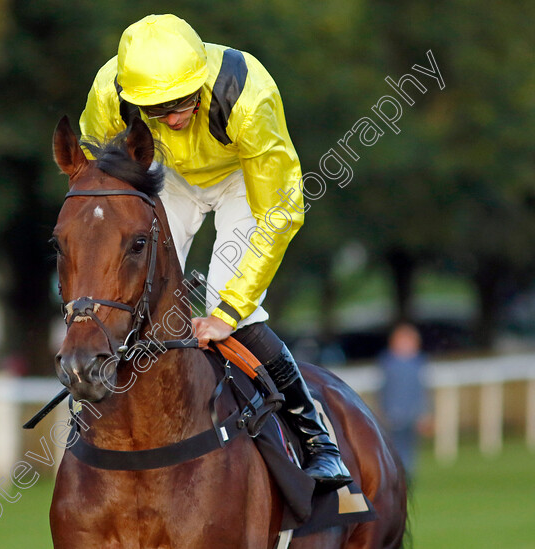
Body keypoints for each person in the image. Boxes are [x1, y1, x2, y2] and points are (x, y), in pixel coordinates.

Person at [79, 14, 351, 489]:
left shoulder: (248, 96)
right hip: (165, 173)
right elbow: (93, 178)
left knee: (229, 298)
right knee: (133, 282)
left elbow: (282, 212)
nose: (173, 117)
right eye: (157, 109)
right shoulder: (110, 91)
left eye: (182, 101)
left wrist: (227, 311)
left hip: (242, 180)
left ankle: (316, 438)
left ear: (201, 77)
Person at [378, 323, 428, 477]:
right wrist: (384, 410)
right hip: (394, 413)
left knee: (409, 448)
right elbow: (384, 390)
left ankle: (407, 475)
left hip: (413, 413)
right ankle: (396, 474)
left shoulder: (418, 363)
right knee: (394, 447)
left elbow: (423, 391)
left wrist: (425, 413)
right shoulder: (388, 363)